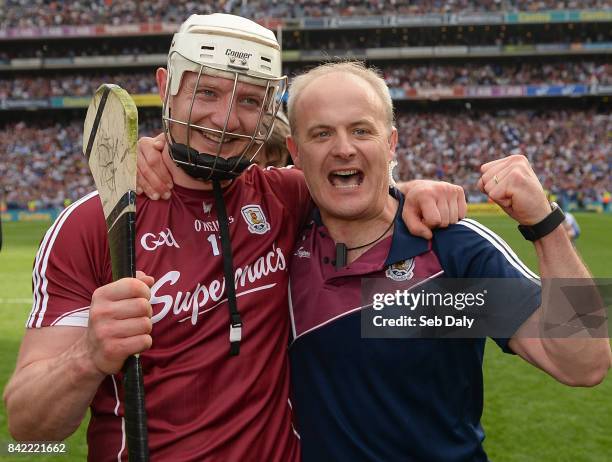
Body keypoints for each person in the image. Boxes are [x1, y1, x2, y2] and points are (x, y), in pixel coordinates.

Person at [4, 14, 465, 461]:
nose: (225, 118)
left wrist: (409, 189)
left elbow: (354, 186)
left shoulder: (287, 197)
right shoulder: (93, 224)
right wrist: (87, 357)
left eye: (249, 101)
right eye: (206, 91)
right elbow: (27, 429)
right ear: (165, 88)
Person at [284, 62, 611, 461]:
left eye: (361, 130)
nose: (344, 148)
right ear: (295, 153)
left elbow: (585, 363)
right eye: (322, 133)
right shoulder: (276, 248)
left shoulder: (452, 252)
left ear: (391, 144)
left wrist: (546, 224)